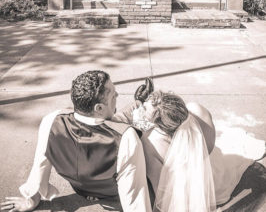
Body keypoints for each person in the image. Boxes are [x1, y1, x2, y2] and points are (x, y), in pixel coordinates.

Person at [1, 71, 152, 212]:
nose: (118, 94)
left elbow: (41, 164)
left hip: (80, 188)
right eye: (114, 95)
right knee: (152, 134)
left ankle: (139, 102)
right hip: (110, 191)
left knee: (117, 118)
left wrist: (32, 199)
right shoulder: (126, 138)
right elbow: (135, 193)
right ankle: (141, 105)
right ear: (98, 107)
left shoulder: (52, 121)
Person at [132, 90, 266, 212]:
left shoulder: (151, 143)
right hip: (219, 177)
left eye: (144, 108)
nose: (141, 108)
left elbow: (161, 192)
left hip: (197, 193)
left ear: (159, 125)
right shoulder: (198, 111)